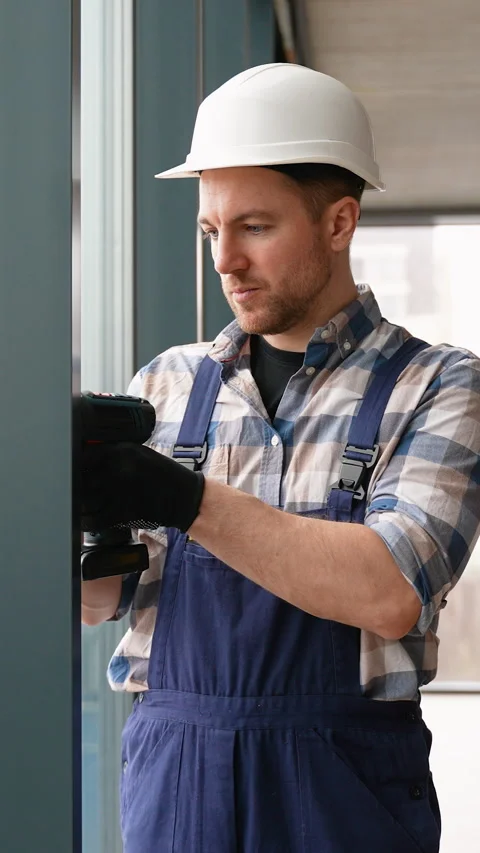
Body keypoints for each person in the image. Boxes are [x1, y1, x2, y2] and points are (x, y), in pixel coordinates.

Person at [81, 63, 480, 853]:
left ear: (339, 222)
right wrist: (62, 509)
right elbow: (101, 602)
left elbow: (389, 588)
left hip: (344, 793)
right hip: (175, 781)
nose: (224, 260)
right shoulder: (166, 383)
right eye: (210, 230)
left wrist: (179, 495)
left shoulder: (439, 384)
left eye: (254, 227)